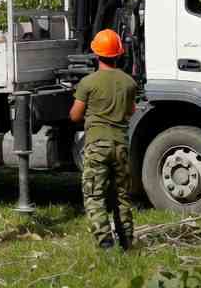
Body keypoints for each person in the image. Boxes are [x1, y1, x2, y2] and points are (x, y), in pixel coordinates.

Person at [70, 29, 137, 250]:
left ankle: (105, 242)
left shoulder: (88, 82)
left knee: (94, 194)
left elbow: (75, 115)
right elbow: (131, 111)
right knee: (122, 195)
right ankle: (127, 241)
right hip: (121, 145)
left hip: (97, 145)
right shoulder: (129, 82)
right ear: (119, 53)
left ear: (96, 54)